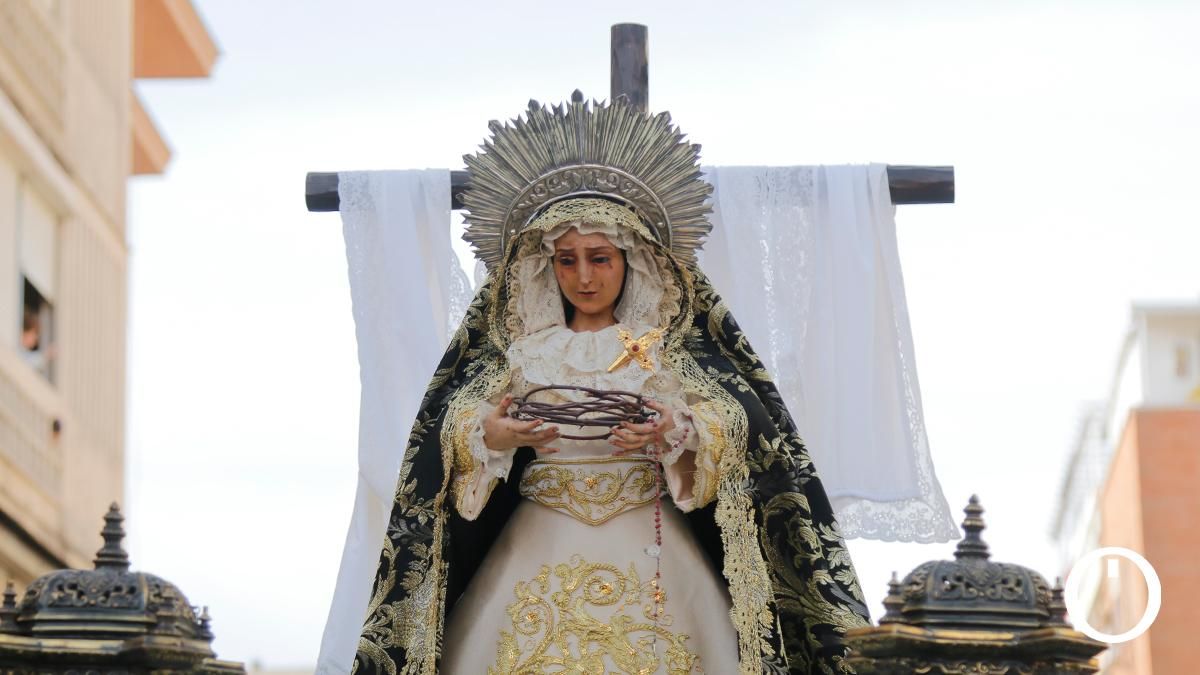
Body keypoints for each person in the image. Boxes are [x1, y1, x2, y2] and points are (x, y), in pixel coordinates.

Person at [351, 99, 870, 675]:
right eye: (567, 261)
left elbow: (740, 424)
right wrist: (491, 435)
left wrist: (675, 430)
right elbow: (451, 429)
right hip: (540, 531)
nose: (583, 277)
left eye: (599, 259)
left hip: (650, 534)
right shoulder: (523, 351)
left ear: (630, 260)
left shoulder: (666, 349)